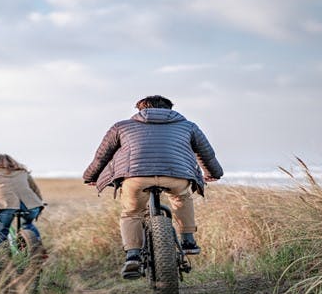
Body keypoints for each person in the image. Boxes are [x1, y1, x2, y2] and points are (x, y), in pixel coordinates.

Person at [83, 95, 223, 278]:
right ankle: (188, 240)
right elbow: (206, 154)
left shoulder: (122, 126)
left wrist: (90, 177)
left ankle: (133, 255)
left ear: (140, 110)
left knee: (132, 213)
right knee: (181, 197)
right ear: (170, 110)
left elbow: (102, 156)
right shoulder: (189, 126)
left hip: (136, 178)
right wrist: (214, 174)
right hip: (176, 175)